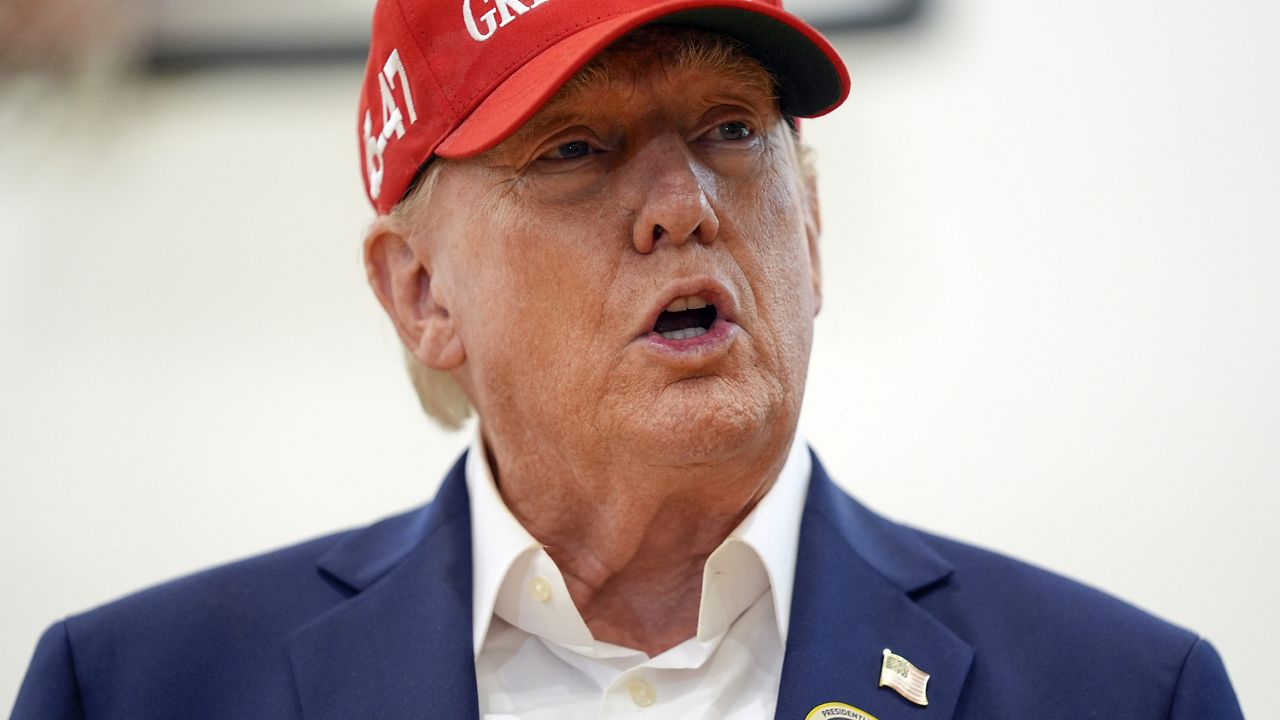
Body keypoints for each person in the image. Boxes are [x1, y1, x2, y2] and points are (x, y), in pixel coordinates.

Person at [10, 0, 1245, 718]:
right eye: (574, 149)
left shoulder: (1128, 695)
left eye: (730, 128)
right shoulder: (137, 691)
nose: (680, 204)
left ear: (809, 226)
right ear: (421, 292)